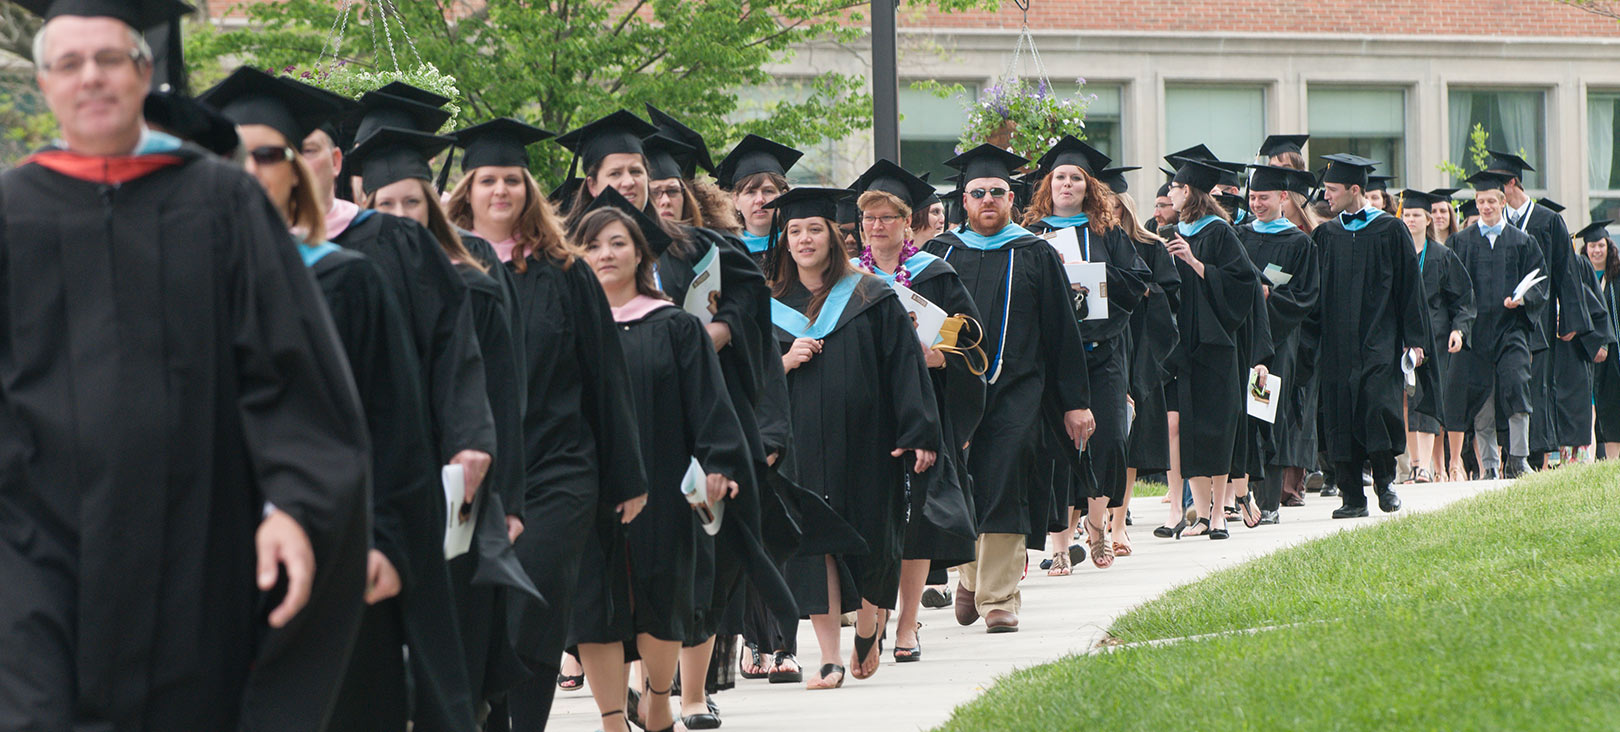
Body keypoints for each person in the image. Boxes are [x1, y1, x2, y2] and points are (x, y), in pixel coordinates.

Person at [0, 2, 370, 727]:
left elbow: (290, 369)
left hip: (197, 540)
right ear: (44, 85)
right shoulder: (12, 211)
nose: (92, 78)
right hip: (33, 542)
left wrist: (294, 503)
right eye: (69, 64)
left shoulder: (221, 201)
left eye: (110, 59)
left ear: (146, 72)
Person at [202, 67, 482, 732]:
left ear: (301, 168)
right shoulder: (181, 274)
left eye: (270, 153)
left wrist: (384, 538)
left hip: (338, 534)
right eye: (234, 154)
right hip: (213, 540)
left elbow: (395, 425)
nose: (251, 168)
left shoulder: (346, 280)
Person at [348, 116, 542, 722]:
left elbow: (504, 387)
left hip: (460, 481)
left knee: (462, 638)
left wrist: (509, 499)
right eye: (388, 202)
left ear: (431, 198)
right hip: (379, 481)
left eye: (413, 199)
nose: (402, 213)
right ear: (365, 202)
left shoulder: (472, 262)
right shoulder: (348, 266)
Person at [571, 193, 752, 732]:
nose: (605, 254)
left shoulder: (675, 325)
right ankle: (609, 719)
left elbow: (709, 402)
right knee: (595, 603)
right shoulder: (572, 326)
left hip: (665, 479)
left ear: (640, 255)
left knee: (661, 592)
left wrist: (720, 464)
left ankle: (656, 696)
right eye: (592, 245)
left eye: (617, 243)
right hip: (587, 481)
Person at [767, 186, 941, 686]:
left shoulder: (870, 295)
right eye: (795, 231)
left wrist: (919, 432)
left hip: (871, 439)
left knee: (874, 536)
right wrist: (784, 361)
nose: (804, 239)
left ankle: (869, 618)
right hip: (798, 439)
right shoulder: (769, 304)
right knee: (813, 540)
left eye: (814, 229)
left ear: (834, 237)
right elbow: (747, 377)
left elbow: (906, 369)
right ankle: (828, 656)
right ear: (785, 239)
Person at [299, 89, 497, 519]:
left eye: (306, 149)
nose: (291, 163)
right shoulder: (235, 248)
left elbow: (452, 349)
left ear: (336, 162)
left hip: (392, 465)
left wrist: (468, 440)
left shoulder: (393, 241)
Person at [924, 144, 1093, 634]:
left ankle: (999, 595)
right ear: (964, 199)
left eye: (998, 191)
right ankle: (970, 576)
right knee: (964, 481)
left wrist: (1076, 402)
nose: (988, 200)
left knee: (1005, 478)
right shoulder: (939, 255)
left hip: (1018, 389)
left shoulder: (1036, 252)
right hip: (953, 390)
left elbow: (1063, 333)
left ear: (1012, 198)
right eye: (978, 193)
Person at [848, 160, 985, 662]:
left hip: (919, 406)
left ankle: (907, 624)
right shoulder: (847, 277)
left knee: (916, 518)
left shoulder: (936, 274)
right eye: (869, 218)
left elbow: (970, 339)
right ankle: (873, 617)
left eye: (887, 217)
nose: (877, 226)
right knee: (871, 515)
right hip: (862, 410)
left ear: (909, 223)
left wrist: (939, 355)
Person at [1022, 136, 1149, 569]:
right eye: (1060, 177)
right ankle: (1059, 546)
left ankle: (1097, 528)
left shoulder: (1107, 233)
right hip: (1053, 357)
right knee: (1056, 449)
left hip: (1102, 350)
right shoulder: (1032, 237)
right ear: (1048, 185)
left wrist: (1093, 278)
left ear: (1088, 187)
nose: (1067, 184)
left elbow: (1138, 282)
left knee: (1111, 439)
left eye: (1076, 177)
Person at [1312, 153, 1429, 518]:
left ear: (1355, 189)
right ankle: (1351, 497)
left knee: (1378, 407)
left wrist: (1415, 338)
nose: (1326, 196)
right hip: (1336, 344)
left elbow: (1411, 287)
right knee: (1340, 414)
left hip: (1380, 337)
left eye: (1332, 190)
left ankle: (1384, 481)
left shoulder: (1390, 230)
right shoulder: (1326, 235)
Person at [1157, 157, 1263, 539]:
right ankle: (1200, 514)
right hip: (1183, 344)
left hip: (1217, 343)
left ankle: (1220, 512)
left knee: (1218, 426)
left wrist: (1196, 262)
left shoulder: (1219, 232)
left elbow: (1244, 283)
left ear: (1188, 192)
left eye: (1173, 188)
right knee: (1190, 430)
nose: (1169, 194)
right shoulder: (1170, 231)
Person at [1483, 150, 1593, 467]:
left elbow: (1566, 273)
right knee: (1508, 386)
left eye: (1497, 187)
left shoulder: (1548, 221)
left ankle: (1535, 455)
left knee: (1537, 386)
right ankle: (1512, 455)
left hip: (1541, 320)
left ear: (1512, 183)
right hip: (1504, 321)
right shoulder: (1496, 228)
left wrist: (1571, 317)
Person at [1446, 171, 1548, 479]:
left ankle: (1518, 459)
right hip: (1475, 332)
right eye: (1480, 201)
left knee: (1517, 384)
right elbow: (1454, 290)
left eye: (1491, 200)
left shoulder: (1522, 241)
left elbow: (1540, 282)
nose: (1486, 206)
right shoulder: (1460, 242)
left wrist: (1523, 299)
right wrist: (1459, 326)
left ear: (1503, 202)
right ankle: (1489, 465)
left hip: (1510, 328)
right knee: (1481, 397)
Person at [1238, 166, 1321, 524]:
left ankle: (1268, 500)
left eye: (1264, 198)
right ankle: (1238, 498)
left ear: (1283, 198)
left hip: (1277, 342)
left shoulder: (1299, 242)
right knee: (1241, 418)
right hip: (1241, 339)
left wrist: (1270, 297)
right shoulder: (1239, 236)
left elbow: (1306, 296)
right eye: (1253, 198)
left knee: (1268, 414)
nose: (1257, 204)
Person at [1396, 189, 1476, 485]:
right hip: (1402, 337)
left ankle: (1424, 468)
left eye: (1417, 215)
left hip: (1435, 336)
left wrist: (1459, 330)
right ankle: (1415, 464)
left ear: (1428, 219)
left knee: (1426, 397)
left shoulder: (1443, 256)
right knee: (1406, 400)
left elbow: (1463, 299)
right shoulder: (1397, 254)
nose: (1411, 220)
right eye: (1407, 215)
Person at [1115, 190, 1181, 546]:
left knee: (1131, 435)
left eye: (1114, 205)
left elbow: (1172, 297)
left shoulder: (1151, 245)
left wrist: (1145, 292)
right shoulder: (1089, 245)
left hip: (1140, 347)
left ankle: (1118, 521)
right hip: (1101, 345)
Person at [718, 133, 801, 267]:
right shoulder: (725, 253)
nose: (760, 200)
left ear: (783, 196)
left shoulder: (799, 248)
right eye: (750, 192)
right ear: (736, 200)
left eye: (768, 191)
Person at [1581, 221, 1620, 459]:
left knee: (1612, 407)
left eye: (1600, 245)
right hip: (1586, 353)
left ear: (1608, 246)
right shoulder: (1580, 276)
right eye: (1592, 246)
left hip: (1614, 355)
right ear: (1585, 249)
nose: (1596, 250)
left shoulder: (1616, 277)